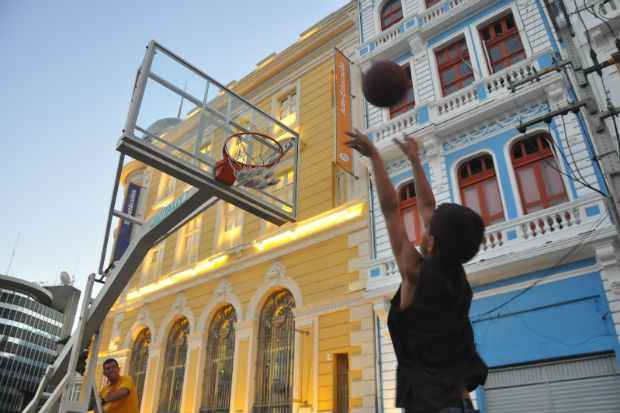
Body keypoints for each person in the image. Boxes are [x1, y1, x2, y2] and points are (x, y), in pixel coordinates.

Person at [346, 130, 488, 413]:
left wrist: (375, 157)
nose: (426, 223)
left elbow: (390, 211)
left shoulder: (414, 273)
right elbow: (427, 206)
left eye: (429, 226)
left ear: (432, 241)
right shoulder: (458, 279)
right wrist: (414, 160)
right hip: (460, 403)